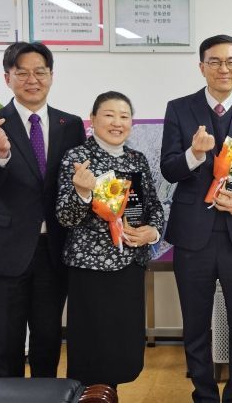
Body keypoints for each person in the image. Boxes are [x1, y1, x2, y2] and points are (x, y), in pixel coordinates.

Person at [160, 34, 232, 402]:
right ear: (202, 66)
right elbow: (169, 168)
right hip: (193, 238)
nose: (224, 68)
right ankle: (204, 395)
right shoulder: (179, 109)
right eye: (215, 61)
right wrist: (193, 154)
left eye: (231, 61)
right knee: (196, 325)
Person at [0, 41, 86, 377]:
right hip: (3, 251)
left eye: (40, 72)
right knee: (6, 345)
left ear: (51, 76)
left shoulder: (70, 125)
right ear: (8, 78)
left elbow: (75, 184)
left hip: (53, 250)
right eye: (22, 73)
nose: (32, 80)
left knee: (48, 341)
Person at [56, 91, 164, 388]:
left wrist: (152, 232)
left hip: (129, 266)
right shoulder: (78, 158)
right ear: (92, 119)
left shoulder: (136, 159)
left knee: (122, 349)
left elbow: (154, 207)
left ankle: (109, 394)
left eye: (124, 116)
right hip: (90, 270)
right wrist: (82, 192)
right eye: (109, 115)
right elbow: (65, 217)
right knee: (92, 351)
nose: (117, 122)